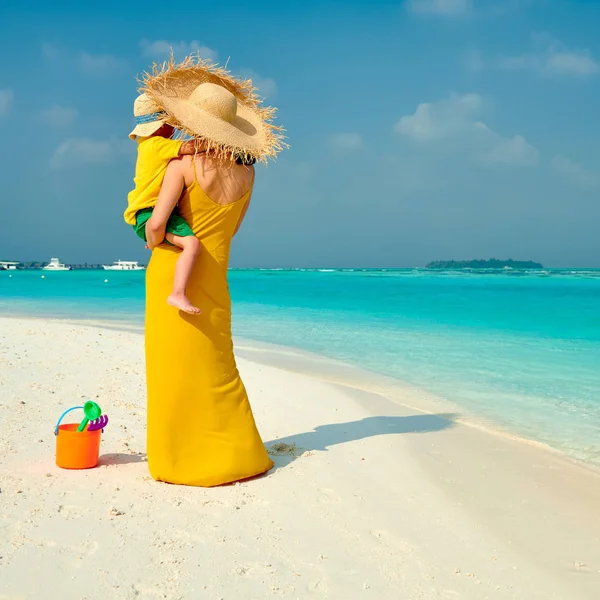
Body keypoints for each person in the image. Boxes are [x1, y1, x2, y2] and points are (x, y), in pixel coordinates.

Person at [141, 56, 285, 486]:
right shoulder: (249, 177)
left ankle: (180, 460)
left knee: (174, 366)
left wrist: (154, 240)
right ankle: (237, 454)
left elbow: (155, 226)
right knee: (218, 365)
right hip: (214, 275)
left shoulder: (181, 165)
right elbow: (233, 229)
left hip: (172, 271)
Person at [124, 93, 203, 314]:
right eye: (171, 123)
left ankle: (152, 241)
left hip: (144, 215)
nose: (174, 128)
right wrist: (221, 142)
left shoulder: (146, 145)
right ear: (160, 127)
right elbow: (191, 147)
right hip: (151, 213)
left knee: (178, 242)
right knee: (192, 244)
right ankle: (178, 293)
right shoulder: (158, 144)